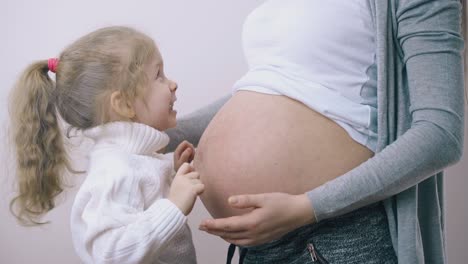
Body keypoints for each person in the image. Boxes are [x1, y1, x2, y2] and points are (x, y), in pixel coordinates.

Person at [166, 0, 465, 263]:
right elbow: (271, 87)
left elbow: (440, 134)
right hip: (259, 246)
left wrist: (306, 207)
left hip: (335, 234)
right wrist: (146, 134)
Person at [9, 26, 204, 264]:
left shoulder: (135, 160)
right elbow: (110, 254)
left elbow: (142, 204)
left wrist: (170, 173)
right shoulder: (115, 170)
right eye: (158, 75)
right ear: (123, 104)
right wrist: (174, 207)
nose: (172, 84)